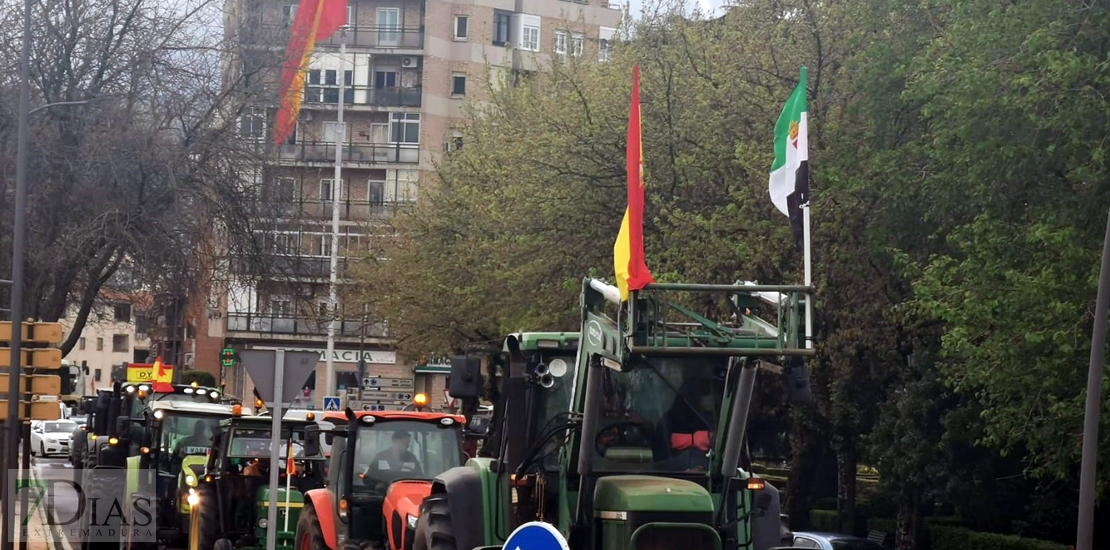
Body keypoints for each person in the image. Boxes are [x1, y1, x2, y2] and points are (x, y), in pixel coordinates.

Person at [656, 376, 717, 471]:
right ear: (693, 396)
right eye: (705, 394)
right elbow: (661, 452)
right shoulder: (670, 420)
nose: (710, 398)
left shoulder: (716, 418)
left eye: (712, 393)